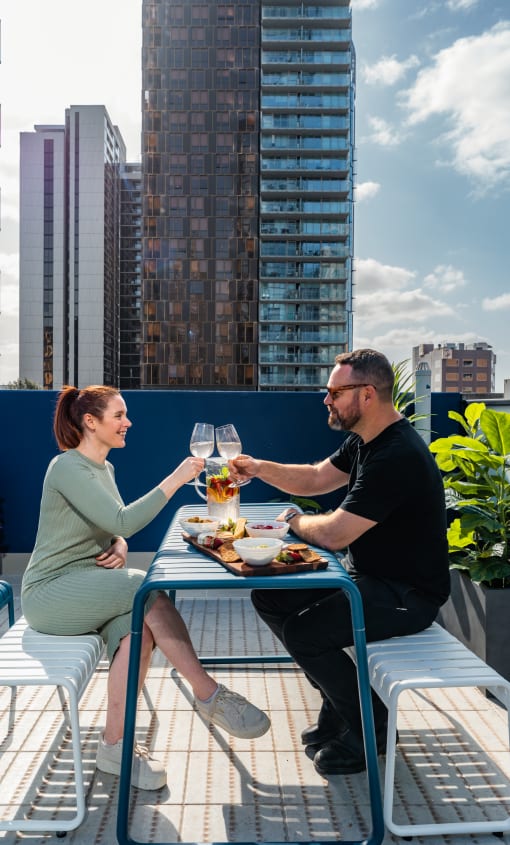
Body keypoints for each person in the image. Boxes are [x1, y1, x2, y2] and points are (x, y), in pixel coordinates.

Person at [21, 385, 270, 791]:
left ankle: (115, 748)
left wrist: (118, 545)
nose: (127, 423)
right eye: (118, 416)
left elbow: (112, 527)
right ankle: (209, 695)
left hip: (91, 585)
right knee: (145, 586)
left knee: (137, 634)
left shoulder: (105, 469)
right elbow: (121, 520)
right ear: (90, 422)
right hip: (50, 592)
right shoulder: (65, 467)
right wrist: (177, 477)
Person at [230, 349, 450, 776]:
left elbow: (334, 534)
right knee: (271, 599)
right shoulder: (368, 440)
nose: (326, 399)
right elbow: (315, 477)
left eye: (334, 391)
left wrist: (294, 520)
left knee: (306, 633)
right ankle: (339, 708)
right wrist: (258, 468)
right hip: (367, 577)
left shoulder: (395, 455)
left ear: (367, 394)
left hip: (406, 595)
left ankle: (373, 727)